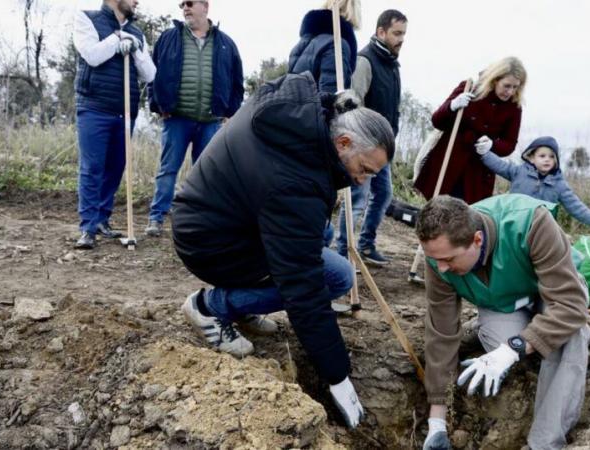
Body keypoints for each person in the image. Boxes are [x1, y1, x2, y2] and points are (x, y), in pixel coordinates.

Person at [171, 73, 395, 429]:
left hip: (222, 217)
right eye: (364, 169)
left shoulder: (300, 107)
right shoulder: (295, 182)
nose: (362, 179)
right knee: (332, 278)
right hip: (211, 243)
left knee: (322, 245)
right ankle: (211, 307)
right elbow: (302, 287)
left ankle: (244, 305)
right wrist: (337, 376)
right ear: (343, 141)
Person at [416, 194, 590, 450]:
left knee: (570, 337)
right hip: (504, 304)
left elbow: (569, 305)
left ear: (477, 239)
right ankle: (503, 332)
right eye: (435, 259)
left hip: (556, 295)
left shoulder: (531, 223)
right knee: (513, 344)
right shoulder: (438, 257)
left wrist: (513, 348)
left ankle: (543, 444)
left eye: (449, 260)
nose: (441, 268)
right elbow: (441, 330)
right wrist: (436, 423)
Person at [144, 0, 244, 237]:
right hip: (177, 118)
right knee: (168, 169)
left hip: (211, 121)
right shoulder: (169, 38)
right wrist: (158, 105)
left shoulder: (226, 44)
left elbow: (237, 82)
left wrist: (229, 113)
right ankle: (157, 217)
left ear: (205, 6)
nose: (185, 8)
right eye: (182, 5)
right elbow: (152, 73)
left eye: (189, 3)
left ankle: (204, 220)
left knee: (208, 173)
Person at [72, 0, 156, 249]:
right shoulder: (86, 18)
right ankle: (87, 228)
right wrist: (116, 39)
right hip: (94, 107)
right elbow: (92, 56)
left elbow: (150, 75)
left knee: (116, 166)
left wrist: (135, 47)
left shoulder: (137, 32)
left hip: (124, 111)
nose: (136, 2)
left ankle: (101, 220)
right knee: (92, 167)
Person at [335, 9, 407, 265]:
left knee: (384, 195)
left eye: (404, 34)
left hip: (383, 148)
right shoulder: (365, 61)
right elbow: (354, 104)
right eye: (397, 33)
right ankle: (343, 252)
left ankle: (365, 244)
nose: (401, 39)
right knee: (356, 199)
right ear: (381, 32)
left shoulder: (392, 66)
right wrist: (358, 143)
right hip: (365, 148)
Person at [414, 57, 525, 204]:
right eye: (507, 85)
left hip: (478, 175)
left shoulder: (514, 108)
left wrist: (492, 145)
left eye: (515, 87)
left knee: (467, 219)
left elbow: (509, 144)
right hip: (448, 164)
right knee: (437, 212)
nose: (510, 91)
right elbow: (437, 121)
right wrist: (452, 106)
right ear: (495, 79)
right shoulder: (469, 88)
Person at [477, 136, 590, 227]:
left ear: (556, 161)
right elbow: (500, 165)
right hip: (514, 223)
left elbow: (576, 206)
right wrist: (485, 154)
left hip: (543, 229)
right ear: (531, 158)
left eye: (552, 156)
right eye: (542, 156)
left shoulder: (559, 185)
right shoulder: (519, 172)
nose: (547, 160)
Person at [288, 0, 361, 94]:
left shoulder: (307, 41)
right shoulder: (337, 45)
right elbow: (330, 94)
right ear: (354, 9)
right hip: (314, 107)